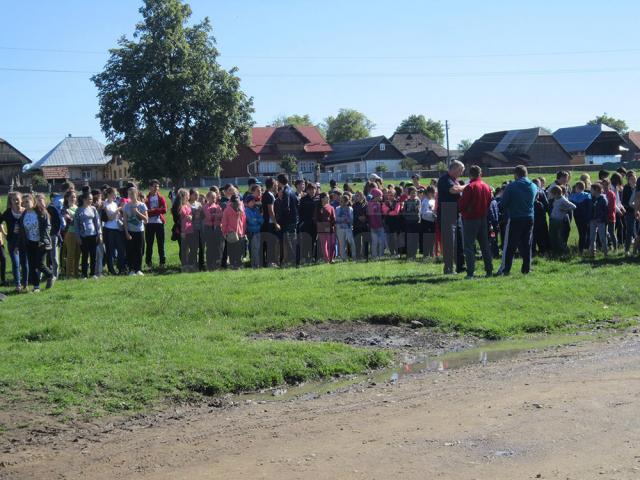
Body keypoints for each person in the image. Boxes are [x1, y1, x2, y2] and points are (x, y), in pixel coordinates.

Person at [497, 165, 537, 276]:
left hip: (515, 217)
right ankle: (526, 268)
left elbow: (504, 204)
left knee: (510, 245)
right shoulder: (533, 186)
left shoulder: (512, 186)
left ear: (516, 174)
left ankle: (505, 269)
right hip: (529, 217)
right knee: (526, 244)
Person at [458, 165, 493, 278]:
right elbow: (489, 202)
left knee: (469, 246)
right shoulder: (486, 186)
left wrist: (460, 209)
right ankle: (489, 270)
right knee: (484, 246)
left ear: (470, 174)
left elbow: (462, 204)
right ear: (480, 173)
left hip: (470, 219)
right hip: (483, 218)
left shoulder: (470, 187)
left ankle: (470, 272)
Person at [19, 193, 54, 292]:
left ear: (33, 201)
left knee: (39, 264)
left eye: (27, 201)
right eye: (24, 202)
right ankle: (36, 287)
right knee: (32, 265)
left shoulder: (41, 212)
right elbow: (23, 229)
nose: (25, 204)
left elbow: (47, 227)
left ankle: (50, 275)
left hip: (41, 242)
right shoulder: (24, 215)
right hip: (29, 242)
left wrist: (42, 240)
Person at [437, 160, 465, 274]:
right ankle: (448, 268)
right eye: (460, 171)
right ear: (453, 169)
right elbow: (453, 190)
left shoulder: (454, 180)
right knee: (449, 243)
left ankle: (459, 266)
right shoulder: (445, 179)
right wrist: (467, 186)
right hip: (447, 213)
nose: (461, 173)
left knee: (458, 242)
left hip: (455, 213)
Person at [1, 192, 28, 292]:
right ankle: (18, 285)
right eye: (13, 200)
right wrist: (5, 234)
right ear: (11, 202)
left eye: (17, 199)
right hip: (12, 242)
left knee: (24, 263)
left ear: (21, 200)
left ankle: (25, 284)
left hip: (24, 242)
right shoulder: (8, 212)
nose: (16, 201)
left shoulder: (26, 212)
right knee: (16, 263)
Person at [74, 192, 102, 279]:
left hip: (93, 235)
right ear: (84, 199)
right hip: (83, 236)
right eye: (89, 199)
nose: (91, 201)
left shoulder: (93, 209)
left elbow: (97, 222)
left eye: (91, 199)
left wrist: (99, 234)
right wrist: (78, 236)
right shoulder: (78, 210)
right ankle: (84, 274)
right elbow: (76, 225)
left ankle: (93, 274)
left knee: (93, 255)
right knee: (85, 255)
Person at [122, 187, 148, 276]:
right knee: (130, 251)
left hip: (140, 231)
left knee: (139, 251)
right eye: (129, 194)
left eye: (133, 194)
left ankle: (138, 269)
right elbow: (124, 221)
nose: (131, 196)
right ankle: (131, 270)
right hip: (130, 231)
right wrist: (126, 232)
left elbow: (146, 220)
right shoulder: (126, 206)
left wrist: (137, 212)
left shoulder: (142, 205)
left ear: (137, 194)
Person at [276, 173, 299, 267]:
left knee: (289, 241)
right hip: (294, 219)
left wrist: (280, 219)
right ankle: (295, 261)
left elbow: (286, 207)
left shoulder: (286, 192)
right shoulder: (292, 190)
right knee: (292, 240)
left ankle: (292, 261)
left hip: (288, 221)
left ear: (279, 182)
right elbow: (297, 203)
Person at [144, 179, 167, 269]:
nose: (156, 188)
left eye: (157, 186)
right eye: (154, 186)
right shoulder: (146, 199)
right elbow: (145, 212)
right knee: (149, 244)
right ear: (150, 187)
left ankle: (162, 263)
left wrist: (153, 210)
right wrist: (157, 210)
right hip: (149, 224)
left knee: (161, 244)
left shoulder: (161, 198)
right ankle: (148, 263)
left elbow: (164, 210)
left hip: (159, 223)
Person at [548, 185, 576, 255]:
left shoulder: (563, 200)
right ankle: (555, 250)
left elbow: (573, 206)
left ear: (557, 194)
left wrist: (565, 210)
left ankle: (563, 252)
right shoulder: (556, 199)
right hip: (553, 219)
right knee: (552, 236)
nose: (552, 196)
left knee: (560, 237)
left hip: (559, 220)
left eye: (553, 194)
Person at [221, 194, 246, 270]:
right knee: (232, 249)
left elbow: (243, 221)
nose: (236, 203)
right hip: (231, 233)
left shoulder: (241, 209)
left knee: (239, 249)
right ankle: (232, 264)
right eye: (234, 202)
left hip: (240, 232)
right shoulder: (227, 210)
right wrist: (224, 233)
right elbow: (224, 222)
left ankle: (238, 263)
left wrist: (243, 231)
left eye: (237, 202)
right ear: (231, 202)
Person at [203, 190, 224, 270]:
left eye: (215, 197)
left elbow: (222, 215)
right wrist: (217, 215)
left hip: (217, 228)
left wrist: (215, 215)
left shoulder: (217, 206)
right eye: (212, 197)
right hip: (209, 228)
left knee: (217, 246)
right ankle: (209, 263)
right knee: (210, 246)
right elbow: (208, 217)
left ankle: (216, 262)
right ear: (207, 198)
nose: (214, 199)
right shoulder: (205, 206)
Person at [261, 177, 280, 268]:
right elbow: (271, 211)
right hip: (270, 223)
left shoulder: (265, 194)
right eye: (275, 184)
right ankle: (270, 262)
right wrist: (276, 223)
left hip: (265, 222)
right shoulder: (269, 195)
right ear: (272, 185)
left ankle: (269, 261)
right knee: (271, 242)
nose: (277, 186)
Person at [569, 181, 592, 253]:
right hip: (586, 217)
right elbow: (590, 207)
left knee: (581, 233)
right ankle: (587, 247)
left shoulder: (572, 196)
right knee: (588, 233)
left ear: (576, 188)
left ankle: (581, 249)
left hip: (577, 217)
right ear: (584, 187)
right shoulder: (588, 195)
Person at [298, 182, 318, 265]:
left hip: (315, 224)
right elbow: (300, 212)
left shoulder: (318, 199)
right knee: (306, 241)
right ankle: (305, 257)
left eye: (314, 189)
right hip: (305, 224)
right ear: (307, 190)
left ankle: (311, 257)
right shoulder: (303, 199)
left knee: (313, 241)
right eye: (310, 189)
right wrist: (302, 222)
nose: (312, 191)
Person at [62, 190, 80, 279]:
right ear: (67, 198)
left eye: (75, 197)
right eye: (72, 197)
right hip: (70, 233)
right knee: (70, 254)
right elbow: (70, 221)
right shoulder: (65, 209)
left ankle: (76, 274)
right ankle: (69, 275)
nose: (73, 198)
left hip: (79, 233)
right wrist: (76, 219)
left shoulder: (77, 207)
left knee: (77, 254)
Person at [315, 192, 336, 263]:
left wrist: (331, 225)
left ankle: (331, 258)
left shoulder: (331, 207)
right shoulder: (318, 207)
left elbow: (333, 218)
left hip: (330, 228)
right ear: (322, 199)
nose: (328, 198)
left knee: (332, 244)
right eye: (327, 197)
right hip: (321, 228)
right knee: (324, 245)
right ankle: (326, 259)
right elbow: (315, 218)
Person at [531, 179, 550, 256]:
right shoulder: (541, 192)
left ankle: (533, 251)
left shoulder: (530, 191)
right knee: (542, 235)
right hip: (541, 217)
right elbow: (546, 204)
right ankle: (543, 250)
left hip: (532, 217)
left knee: (532, 235)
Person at [244, 194, 264, 268]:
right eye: (251, 201)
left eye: (254, 201)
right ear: (248, 202)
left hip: (258, 231)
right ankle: (254, 265)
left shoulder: (256, 209)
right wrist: (256, 220)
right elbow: (250, 221)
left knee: (257, 249)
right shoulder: (246, 210)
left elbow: (262, 220)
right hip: (251, 233)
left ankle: (257, 264)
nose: (253, 202)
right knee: (253, 249)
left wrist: (256, 220)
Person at [589, 183, 608, 257]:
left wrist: (601, 219)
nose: (590, 191)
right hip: (592, 221)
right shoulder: (592, 199)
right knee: (592, 238)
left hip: (601, 221)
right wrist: (590, 219)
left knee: (602, 237)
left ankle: (605, 253)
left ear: (596, 190)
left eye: (591, 190)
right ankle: (592, 253)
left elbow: (605, 211)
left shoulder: (603, 199)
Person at [335, 194, 356, 261]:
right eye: (341, 201)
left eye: (343, 201)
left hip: (348, 228)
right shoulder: (337, 209)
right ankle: (343, 257)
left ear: (347, 202)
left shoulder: (350, 209)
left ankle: (354, 255)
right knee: (341, 243)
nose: (341, 203)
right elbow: (336, 218)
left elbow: (352, 219)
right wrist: (343, 219)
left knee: (351, 242)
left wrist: (348, 220)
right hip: (340, 228)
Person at [402, 186, 421, 260]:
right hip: (408, 222)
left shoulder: (418, 201)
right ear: (409, 193)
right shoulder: (406, 201)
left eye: (415, 193)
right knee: (409, 238)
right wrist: (408, 213)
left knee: (415, 238)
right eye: (412, 193)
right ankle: (409, 254)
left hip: (416, 221)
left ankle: (414, 254)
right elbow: (404, 212)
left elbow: (417, 211)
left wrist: (411, 212)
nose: (414, 194)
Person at [367, 188, 386, 260]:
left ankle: (380, 255)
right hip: (374, 226)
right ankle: (374, 255)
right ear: (375, 196)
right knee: (375, 242)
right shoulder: (371, 205)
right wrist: (374, 225)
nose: (381, 197)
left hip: (380, 225)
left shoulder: (378, 204)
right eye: (380, 196)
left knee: (381, 241)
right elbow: (371, 216)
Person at [622, 171, 637, 256]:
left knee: (637, 232)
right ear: (628, 180)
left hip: (638, 211)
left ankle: (636, 249)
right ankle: (627, 250)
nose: (633, 180)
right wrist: (630, 206)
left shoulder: (638, 187)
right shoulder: (626, 188)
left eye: (634, 178)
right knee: (630, 231)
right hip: (629, 212)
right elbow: (623, 201)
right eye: (631, 179)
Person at [420, 186, 437, 258]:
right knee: (427, 238)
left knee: (432, 238)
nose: (434, 194)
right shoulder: (425, 201)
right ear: (429, 193)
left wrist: (435, 214)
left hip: (432, 221)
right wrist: (433, 213)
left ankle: (432, 253)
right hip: (426, 222)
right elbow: (423, 212)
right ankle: (426, 254)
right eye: (433, 192)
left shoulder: (433, 200)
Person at [352, 191, 369, 261]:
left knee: (365, 242)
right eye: (355, 196)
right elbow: (352, 215)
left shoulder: (366, 205)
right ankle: (358, 256)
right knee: (357, 242)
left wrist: (365, 218)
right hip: (356, 226)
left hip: (365, 226)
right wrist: (358, 218)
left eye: (357, 196)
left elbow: (369, 215)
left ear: (362, 196)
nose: (356, 197)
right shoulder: (353, 206)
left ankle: (366, 256)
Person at [602, 179, 618, 251]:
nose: (604, 186)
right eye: (603, 185)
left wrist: (609, 215)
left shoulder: (611, 194)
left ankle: (615, 248)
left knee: (611, 232)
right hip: (603, 216)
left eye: (606, 185)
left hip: (610, 216)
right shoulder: (602, 193)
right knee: (604, 233)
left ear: (609, 185)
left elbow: (612, 206)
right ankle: (608, 246)